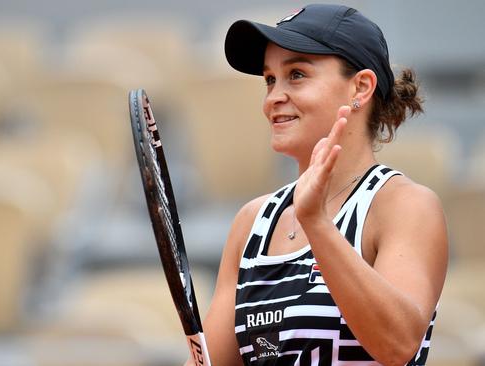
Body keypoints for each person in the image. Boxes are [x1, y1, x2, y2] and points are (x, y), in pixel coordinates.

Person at [187, 4, 448, 366]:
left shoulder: (405, 206)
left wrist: (317, 223)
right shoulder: (251, 221)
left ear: (361, 86)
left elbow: (398, 345)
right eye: (269, 79)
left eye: (296, 74)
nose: (273, 97)